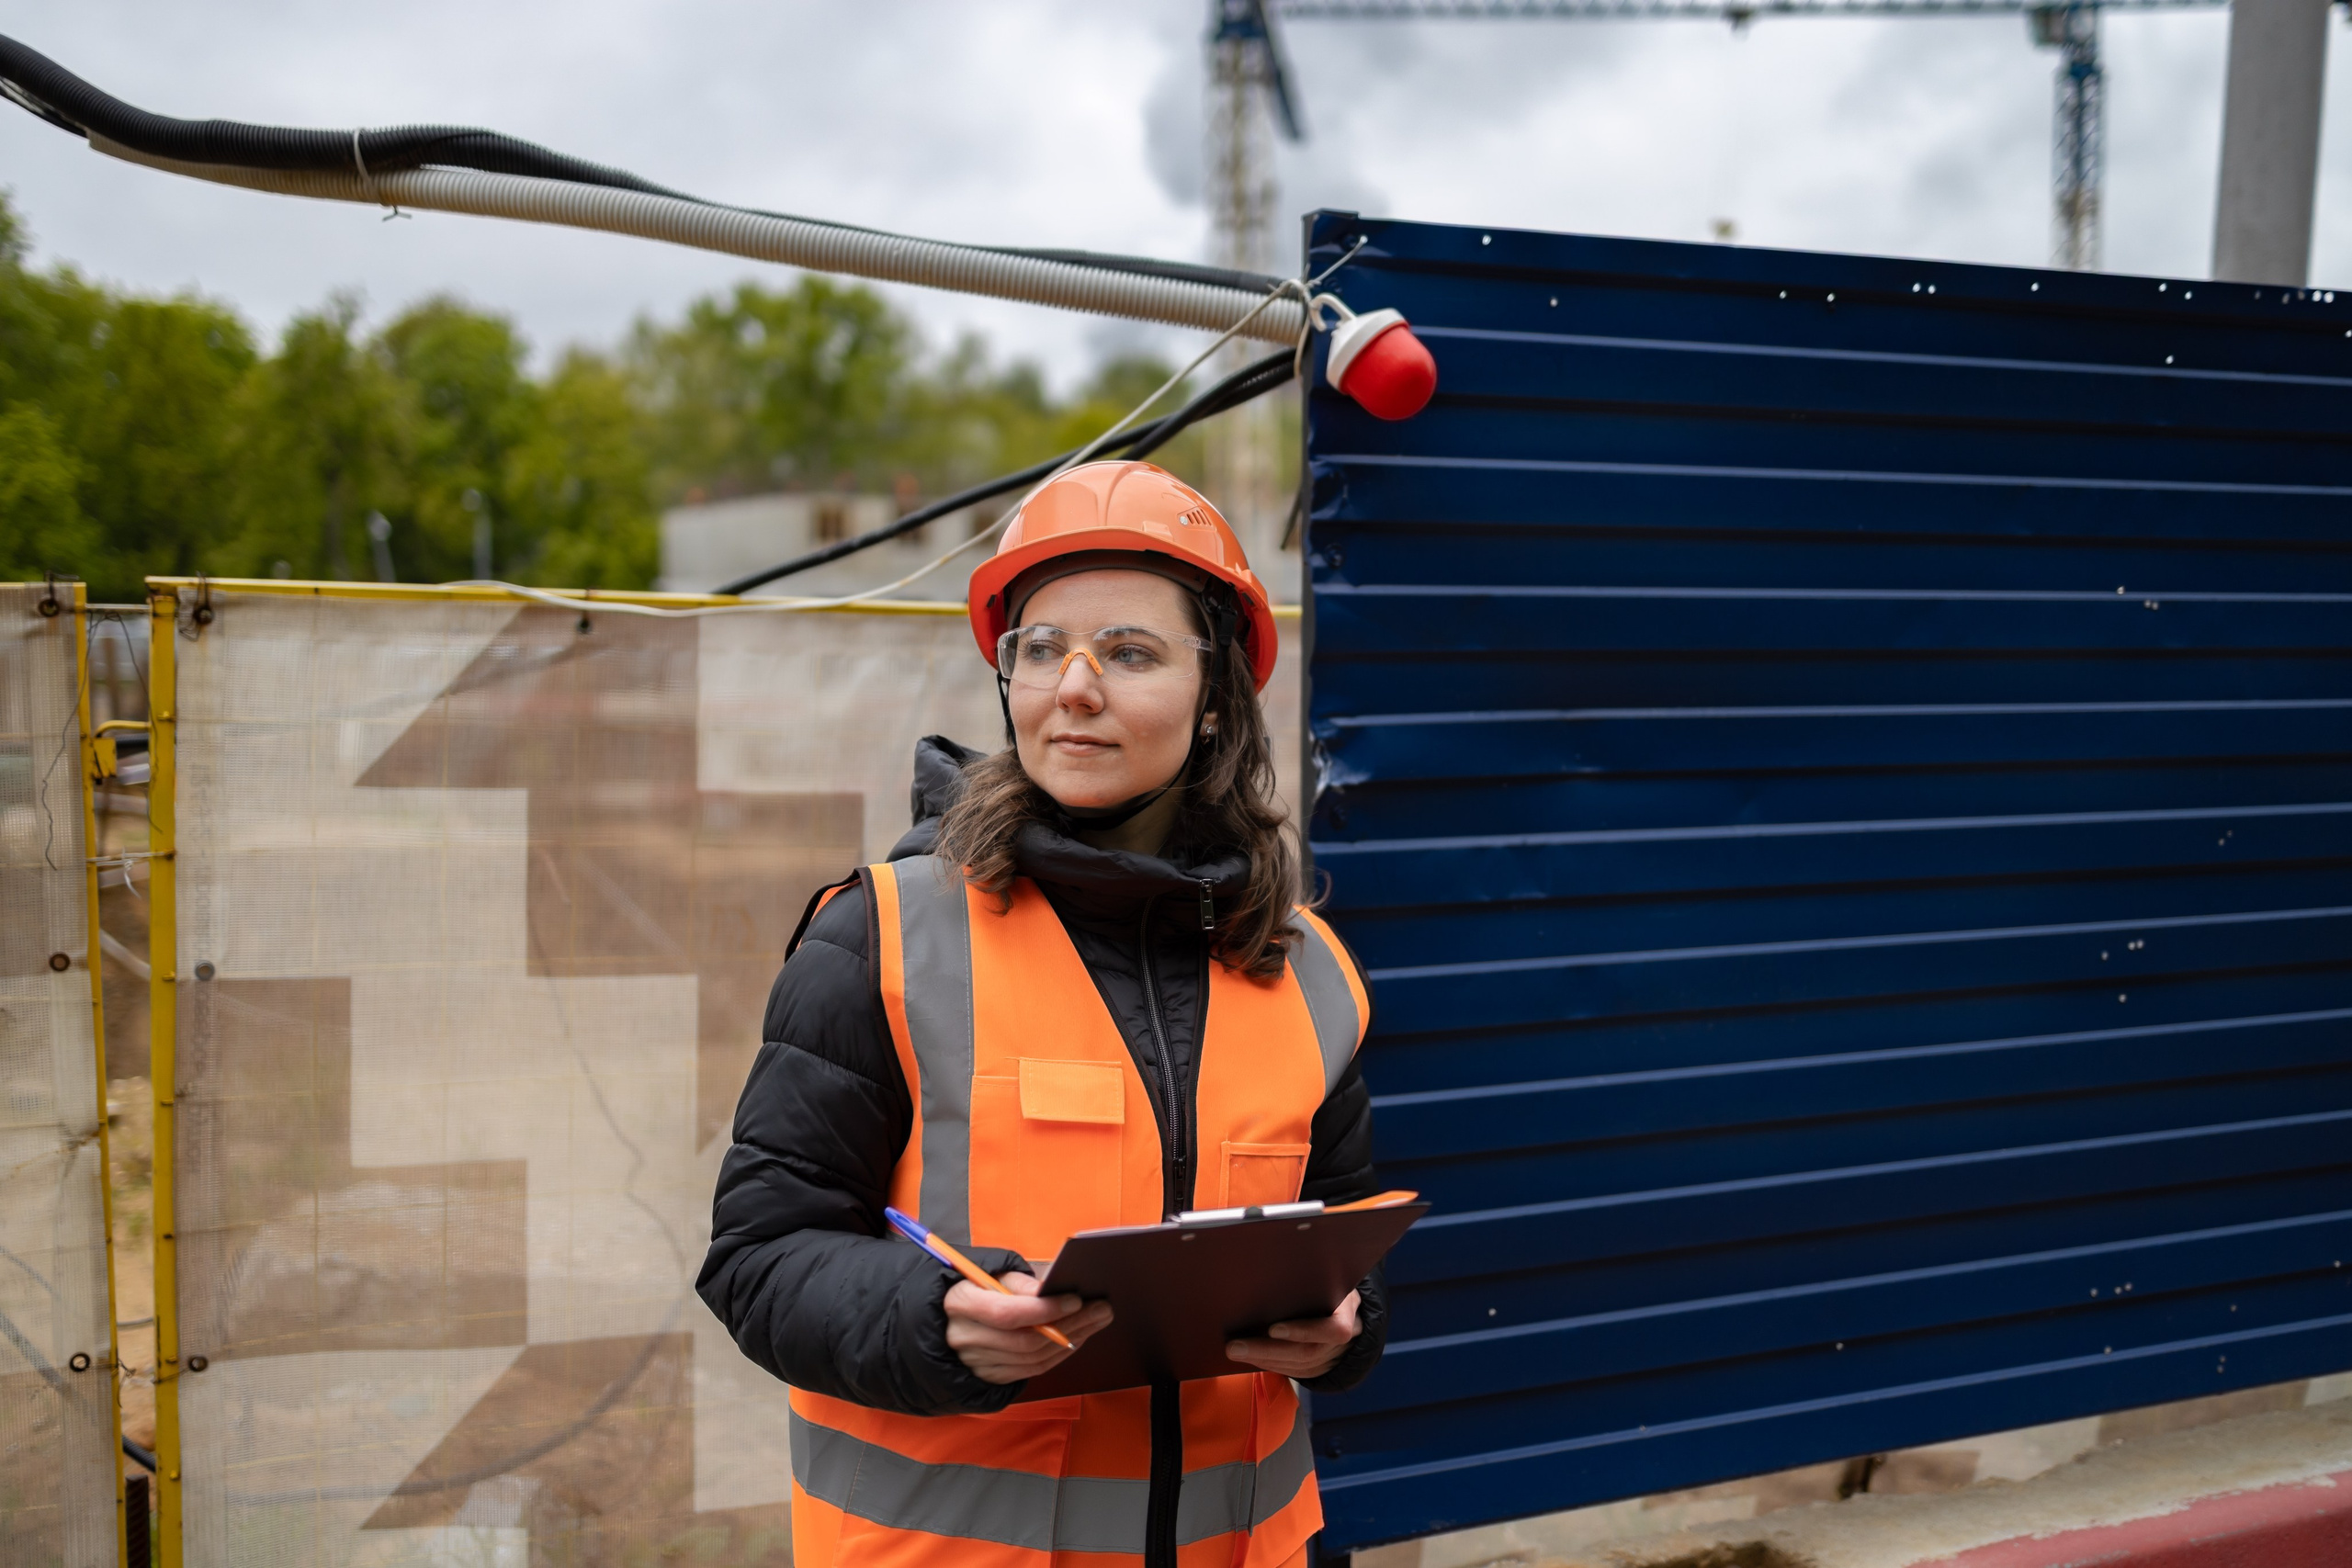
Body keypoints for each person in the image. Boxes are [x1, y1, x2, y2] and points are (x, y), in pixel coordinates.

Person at [697, 459, 1385, 1568]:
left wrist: (1341, 1331)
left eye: (1128, 651)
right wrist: (934, 1321)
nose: (1072, 686)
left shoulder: (1311, 973)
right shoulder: (880, 939)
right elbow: (759, 1259)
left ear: (1216, 702)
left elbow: (1350, 1251)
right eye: (1039, 647)